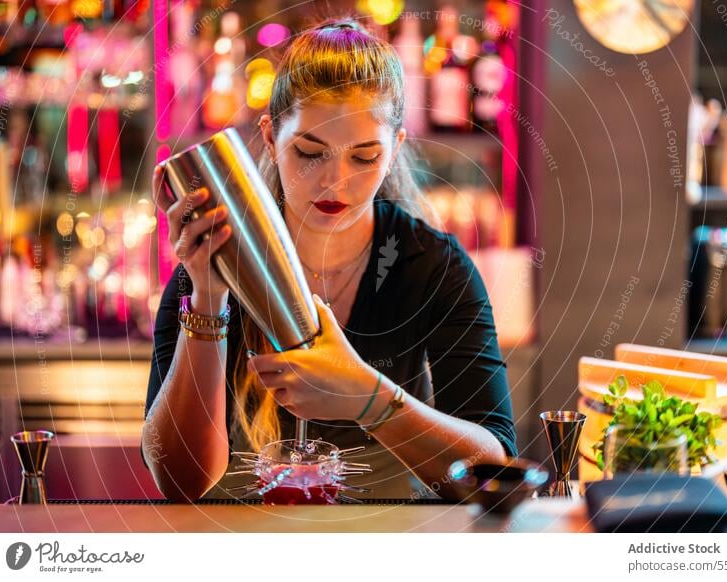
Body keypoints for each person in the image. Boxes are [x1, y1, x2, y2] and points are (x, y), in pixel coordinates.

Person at [142, 17, 517, 502]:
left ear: (395, 148)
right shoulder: (213, 261)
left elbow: (493, 472)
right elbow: (181, 481)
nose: (335, 182)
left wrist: (369, 398)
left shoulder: (431, 266)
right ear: (271, 137)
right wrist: (209, 300)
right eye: (309, 152)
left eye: (363, 158)